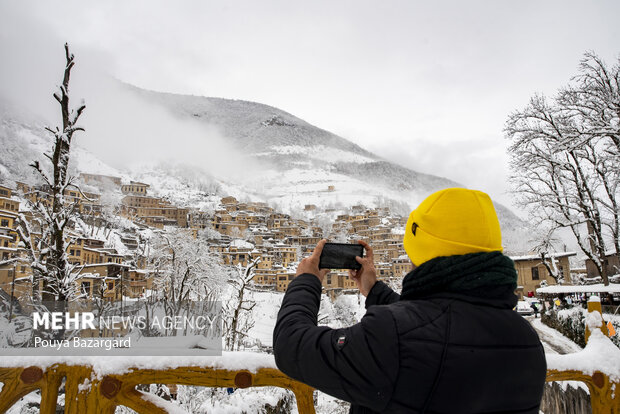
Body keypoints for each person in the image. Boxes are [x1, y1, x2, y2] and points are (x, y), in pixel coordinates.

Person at [273, 188, 547, 413]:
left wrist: (306, 280)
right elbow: (435, 327)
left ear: (421, 250)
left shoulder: (392, 337)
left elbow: (291, 345)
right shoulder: (526, 341)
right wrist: (375, 289)